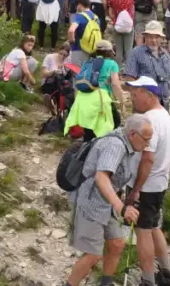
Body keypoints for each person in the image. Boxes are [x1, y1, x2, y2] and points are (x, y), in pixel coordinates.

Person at [65, 115, 153, 286]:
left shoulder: (126, 143)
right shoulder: (115, 145)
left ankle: (106, 283)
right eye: (146, 139)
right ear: (132, 134)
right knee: (93, 254)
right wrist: (122, 208)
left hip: (106, 203)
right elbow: (101, 177)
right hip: (91, 203)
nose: (147, 144)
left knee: (117, 243)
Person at [125, 77, 170, 286]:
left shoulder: (149, 120)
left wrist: (135, 189)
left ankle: (148, 280)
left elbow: (147, 158)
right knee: (154, 226)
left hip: (146, 185)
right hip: (160, 183)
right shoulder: (165, 115)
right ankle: (167, 273)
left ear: (148, 95)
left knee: (143, 232)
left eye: (135, 95)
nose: (132, 99)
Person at [64, 40, 124, 140]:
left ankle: (87, 147)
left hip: (83, 97)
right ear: (110, 52)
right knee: (114, 122)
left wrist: (76, 100)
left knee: (88, 129)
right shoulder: (112, 64)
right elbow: (115, 84)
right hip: (100, 98)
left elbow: (79, 81)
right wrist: (121, 101)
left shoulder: (87, 63)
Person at [124, 21, 170, 108]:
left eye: (157, 37)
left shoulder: (166, 54)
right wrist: (137, 97)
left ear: (162, 38)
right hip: (145, 102)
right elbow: (130, 78)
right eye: (150, 37)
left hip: (164, 101)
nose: (153, 40)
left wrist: (168, 94)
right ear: (145, 37)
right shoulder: (136, 53)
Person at [66, 0, 100, 67]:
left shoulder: (80, 16)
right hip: (93, 48)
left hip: (79, 47)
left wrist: (71, 41)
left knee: (77, 70)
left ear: (80, 4)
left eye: (77, 5)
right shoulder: (96, 17)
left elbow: (71, 30)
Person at [108, 0, 135, 65]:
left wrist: (115, 19)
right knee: (128, 50)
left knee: (119, 50)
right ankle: (129, 68)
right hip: (128, 26)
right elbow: (133, 12)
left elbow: (111, 14)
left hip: (117, 26)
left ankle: (118, 68)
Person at [43, 43, 72, 115]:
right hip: (49, 82)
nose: (62, 56)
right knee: (57, 77)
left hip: (61, 85)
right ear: (58, 50)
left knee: (66, 82)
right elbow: (43, 73)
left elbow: (67, 75)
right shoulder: (49, 57)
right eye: (61, 53)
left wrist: (65, 69)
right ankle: (56, 105)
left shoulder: (68, 61)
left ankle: (53, 103)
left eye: (65, 55)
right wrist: (53, 72)